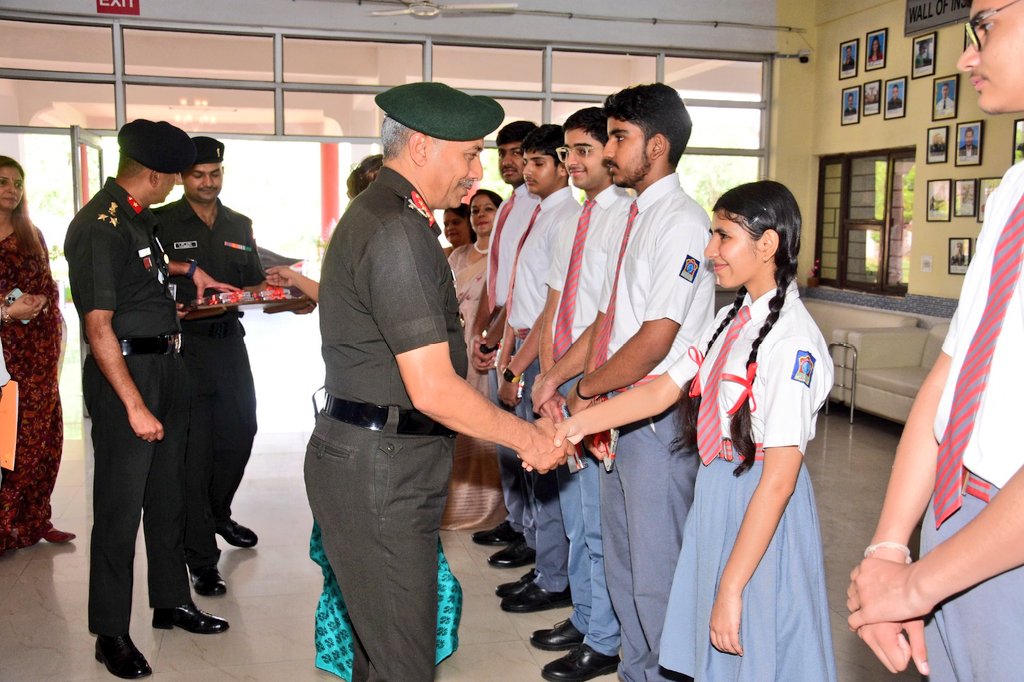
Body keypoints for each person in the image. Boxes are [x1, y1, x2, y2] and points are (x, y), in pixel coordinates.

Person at [305, 82, 570, 682]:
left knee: (382, 653)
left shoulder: (389, 216)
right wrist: (529, 439)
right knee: (404, 662)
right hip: (382, 469)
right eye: (470, 154)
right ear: (421, 146)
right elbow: (432, 388)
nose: (478, 173)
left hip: (378, 457)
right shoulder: (396, 231)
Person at [555, 180, 837, 681]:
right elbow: (660, 391)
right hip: (716, 489)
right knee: (713, 651)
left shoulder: (794, 343)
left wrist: (731, 586)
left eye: (723, 236)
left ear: (767, 245)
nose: (709, 251)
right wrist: (573, 426)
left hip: (757, 501)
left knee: (749, 641)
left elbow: (779, 480)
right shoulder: (729, 319)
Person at [847, 5, 1024, 678]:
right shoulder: (1013, 190)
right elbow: (954, 373)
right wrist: (893, 546)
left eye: (985, 26)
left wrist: (916, 585)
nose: (965, 57)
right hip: (956, 516)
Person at [65, 119, 234, 679]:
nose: (180, 183)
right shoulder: (99, 226)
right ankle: (110, 633)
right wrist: (134, 405)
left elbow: (145, 276)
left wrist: (189, 277)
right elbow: (97, 326)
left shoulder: (139, 218)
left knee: (169, 496)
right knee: (119, 510)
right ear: (157, 175)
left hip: (167, 365)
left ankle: (170, 601)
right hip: (127, 376)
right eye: (177, 175)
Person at [562, 83, 714, 682]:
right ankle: (637, 670)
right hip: (620, 413)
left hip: (656, 418)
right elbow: (608, 317)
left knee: (655, 571)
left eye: (618, 138)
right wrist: (574, 381)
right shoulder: (635, 215)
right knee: (622, 562)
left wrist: (586, 392)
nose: (607, 152)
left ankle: (667, 674)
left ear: (657, 146)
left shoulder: (681, 222)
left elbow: (655, 338)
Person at [528, 106, 631, 682]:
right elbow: (555, 306)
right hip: (563, 378)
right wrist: (547, 378)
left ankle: (605, 638)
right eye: (568, 151)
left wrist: (575, 388)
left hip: (596, 383)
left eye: (585, 150)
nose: (573, 161)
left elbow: (606, 320)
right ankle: (587, 614)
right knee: (573, 513)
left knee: (596, 521)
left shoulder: (624, 218)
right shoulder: (572, 219)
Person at [154, 136, 269, 598]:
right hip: (183, 348)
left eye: (214, 174)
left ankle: (217, 512)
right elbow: (142, 276)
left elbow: (253, 283)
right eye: (198, 175)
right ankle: (201, 559)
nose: (207, 182)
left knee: (241, 433)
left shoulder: (239, 223)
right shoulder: (161, 222)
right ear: (183, 177)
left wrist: (290, 297)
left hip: (228, 343)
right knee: (194, 453)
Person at [493, 123, 578, 614]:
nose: (527, 171)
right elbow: (518, 296)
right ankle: (543, 562)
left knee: (544, 471)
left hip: (542, 353)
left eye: (538, 163)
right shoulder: (541, 213)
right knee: (530, 468)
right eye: (525, 162)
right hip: (523, 343)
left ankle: (553, 576)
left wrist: (519, 369)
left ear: (563, 167)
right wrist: (505, 353)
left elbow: (551, 308)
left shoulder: (566, 217)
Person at [467, 121, 542, 571]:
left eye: (521, 154)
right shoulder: (511, 207)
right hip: (505, 334)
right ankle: (518, 523)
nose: (512, 162)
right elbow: (496, 281)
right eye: (506, 153)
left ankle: (533, 536)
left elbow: (525, 292)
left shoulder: (539, 209)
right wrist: (483, 332)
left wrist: (497, 338)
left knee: (525, 441)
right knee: (506, 439)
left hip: (526, 339)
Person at [0, 156, 74, 555]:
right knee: (11, 442)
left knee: (44, 439)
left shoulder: (32, 234)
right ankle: (4, 524)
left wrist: (40, 300)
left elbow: (48, 284)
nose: (12, 190)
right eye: (3, 182)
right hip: (3, 356)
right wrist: (7, 310)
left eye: (17, 183)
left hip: (37, 352)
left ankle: (33, 521)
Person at [442, 188, 506, 531]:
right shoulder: (457, 256)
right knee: (455, 418)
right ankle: (456, 505)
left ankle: (489, 509)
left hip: (486, 347)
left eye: (488, 209)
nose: (480, 216)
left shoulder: (504, 255)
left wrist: (486, 339)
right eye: (475, 211)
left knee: (484, 418)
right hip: (456, 343)